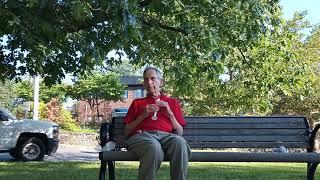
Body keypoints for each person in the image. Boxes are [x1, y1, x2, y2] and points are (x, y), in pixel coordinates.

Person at [124, 66, 192, 180]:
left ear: (161, 81)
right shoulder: (137, 103)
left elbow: (179, 132)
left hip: (167, 137)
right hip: (143, 136)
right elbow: (126, 132)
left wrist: (170, 113)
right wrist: (142, 116)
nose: (149, 82)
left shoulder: (172, 102)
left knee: (180, 142)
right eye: (146, 79)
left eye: (152, 78)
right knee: (153, 146)